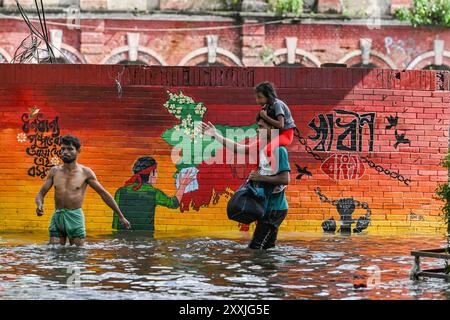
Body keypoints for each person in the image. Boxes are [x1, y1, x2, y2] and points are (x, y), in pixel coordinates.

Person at [200, 115, 291, 249]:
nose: (257, 130)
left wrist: (260, 178)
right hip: (267, 207)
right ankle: (269, 269)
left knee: (255, 247)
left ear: (272, 129)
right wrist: (215, 135)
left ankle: (256, 269)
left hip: (274, 209)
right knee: (267, 248)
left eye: (261, 127)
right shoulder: (262, 146)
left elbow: (285, 179)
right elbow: (238, 148)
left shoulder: (279, 150)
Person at [35, 135, 131, 246]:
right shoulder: (54, 171)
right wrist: (39, 205)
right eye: (63, 149)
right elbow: (40, 194)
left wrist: (120, 216)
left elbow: (103, 194)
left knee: (77, 253)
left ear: (78, 151)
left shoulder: (85, 172)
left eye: (70, 149)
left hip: (75, 216)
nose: (65, 152)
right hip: (57, 216)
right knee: (54, 251)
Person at [112, 156, 195, 231]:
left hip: (123, 238)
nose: (157, 176)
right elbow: (174, 203)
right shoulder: (153, 193)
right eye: (156, 172)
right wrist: (182, 186)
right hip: (146, 239)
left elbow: (116, 221)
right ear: (151, 173)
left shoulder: (120, 191)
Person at [255, 82, 296, 158]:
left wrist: (265, 117)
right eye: (257, 98)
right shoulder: (268, 106)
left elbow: (281, 125)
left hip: (286, 134)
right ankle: (260, 169)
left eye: (260, 97)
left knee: (267, 150)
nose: (257, 101)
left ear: (268, 96)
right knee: (261, 148)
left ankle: (271, 168)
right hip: (276, 133)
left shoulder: (277, 104)